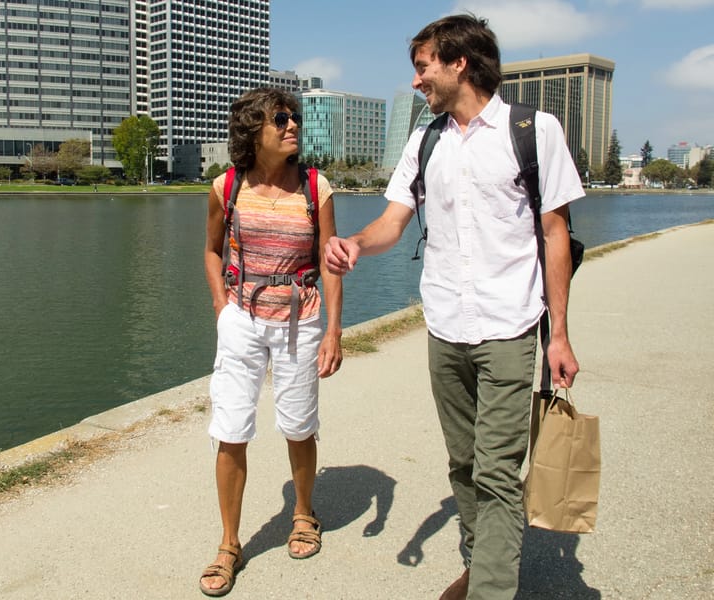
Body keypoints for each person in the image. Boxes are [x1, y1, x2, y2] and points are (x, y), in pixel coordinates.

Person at [324, 14, 583, 600]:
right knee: (464, 462)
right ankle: (480, 558)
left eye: (423, 67)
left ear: (458, 62)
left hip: (510, 327)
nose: (417, 81)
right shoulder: (427, 139)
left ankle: (491, 589)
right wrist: (356, 244)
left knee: (496, 469)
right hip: (444, 326)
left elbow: (556, 233)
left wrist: (560, 334)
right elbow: (394, 220)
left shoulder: (534, 130)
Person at [200, 87, 343, 597]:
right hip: (240, 317)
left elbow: (330, 262)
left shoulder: (315, 186)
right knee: (231, 427)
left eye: (293, 118)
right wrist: (222, 307)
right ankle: (229, 543)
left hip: (299, 320)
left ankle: (303, 514)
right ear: (252, 130)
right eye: (279, 119)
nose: (292, 126)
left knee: (299, 424)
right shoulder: (227, 186)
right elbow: (212, 251)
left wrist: (333, 330)